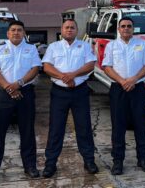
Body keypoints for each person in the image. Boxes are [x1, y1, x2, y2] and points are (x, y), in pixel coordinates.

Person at [0, 20, 42, 184]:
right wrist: (8, 87)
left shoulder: (31, 48)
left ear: (24, 33)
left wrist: (19, 84)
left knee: (28, 132)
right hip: (3, 94)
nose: (16, 33)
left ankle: (30, 167)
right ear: (8, 33)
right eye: (13, 30)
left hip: (25, 93)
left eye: (19, 30)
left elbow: (35, 69)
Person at [41, 19, 98, 178]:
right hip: (59, 92)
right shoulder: (53, 47)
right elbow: (47, 67)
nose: (69, 30)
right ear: (61, 30)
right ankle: (50, 164)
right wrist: (64, 77)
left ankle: (89, 161)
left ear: (76, 30)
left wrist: (72, 75)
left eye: (72, 27)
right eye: (66, 27)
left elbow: (90, 65)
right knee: (56, 129)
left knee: (84, 127)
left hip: (80, 91)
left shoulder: (85, 46)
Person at [102, 16, 145, 175]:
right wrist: (122, 81)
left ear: (133, 29)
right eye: (123, 26)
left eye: (129, 26)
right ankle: (118, 162)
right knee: (118, 126)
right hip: (118, 89)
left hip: (137, 88)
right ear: (118, 29)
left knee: (140, 125)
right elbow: (107, 67)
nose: (126, 28)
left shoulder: (141, 44)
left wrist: (133, 80)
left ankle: (143, 159)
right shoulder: (111, 46)